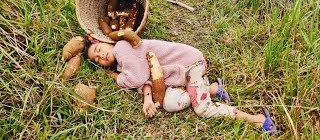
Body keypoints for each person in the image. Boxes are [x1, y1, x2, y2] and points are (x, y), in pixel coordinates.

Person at [85, 39, 277, 135]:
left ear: (105, 42)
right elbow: (145, 81)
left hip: (190, 65)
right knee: (169, 104)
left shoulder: (121, 47)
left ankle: (256, 119)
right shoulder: (122, 64)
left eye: (99, 49)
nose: (101, 56)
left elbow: (136, 78)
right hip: (178, 77)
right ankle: (210, 89)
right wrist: (147, 100)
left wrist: (113, 77)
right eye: (97, 59)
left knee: (203, 109)